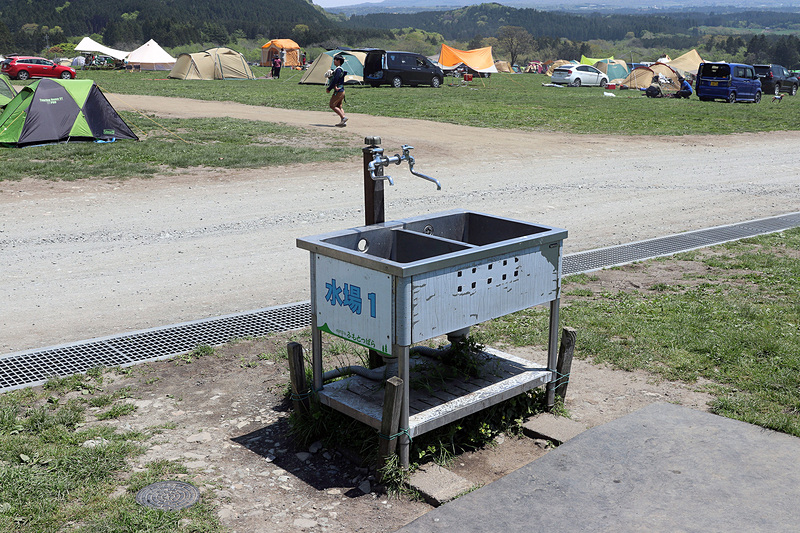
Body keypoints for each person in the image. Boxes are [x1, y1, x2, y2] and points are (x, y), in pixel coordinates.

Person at [326, 55, 347, 127]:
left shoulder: (338, 70)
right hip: (341, 90)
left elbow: (335, 80)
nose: (334, 61)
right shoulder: (340, 69)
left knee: (332, 105)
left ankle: (344, 118)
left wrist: (329, 88)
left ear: (339, 61)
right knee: (339, 106)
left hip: (338, 91)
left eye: (335, 60)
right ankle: (343, 122)